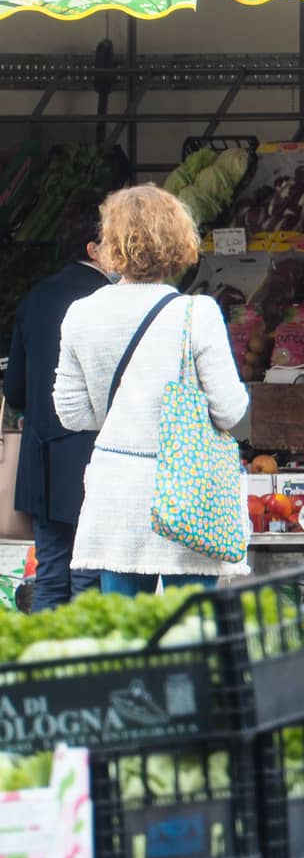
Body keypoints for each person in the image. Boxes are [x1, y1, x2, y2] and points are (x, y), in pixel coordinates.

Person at [54, 186, 250, 595]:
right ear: (178, 241)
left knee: (128, 641)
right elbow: (230, 411)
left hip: (116, 493)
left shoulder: (81, 313)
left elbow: (71, 414)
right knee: (191, 634)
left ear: (110, 243)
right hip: (189, 494)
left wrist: (124, 413)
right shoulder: (197, 313)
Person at [4, 192, 115, 609]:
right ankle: (86, 672)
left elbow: (14, 390)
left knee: (50, 576)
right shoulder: (108, 302)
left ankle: (48, 670)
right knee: (87, 578)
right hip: (92, 459)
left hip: (41, 462)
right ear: (94, 249)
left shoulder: (36, 298)